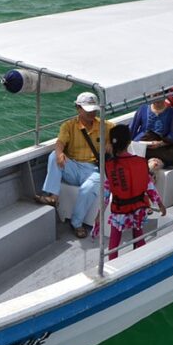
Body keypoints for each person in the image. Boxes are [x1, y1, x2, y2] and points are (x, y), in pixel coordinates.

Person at [34, 92, 115, 238]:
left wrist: (111, 143)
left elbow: (121, 137)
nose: (92, 113)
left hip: (94, 169)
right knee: (53, 156)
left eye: (94, 110)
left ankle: (77, 223)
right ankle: (53, 196)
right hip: (73, 167)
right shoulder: (68, 126)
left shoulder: (106, 126)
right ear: (78, 108)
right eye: (88, 110)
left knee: (87, 189)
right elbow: (60, 143)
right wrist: (59, 153)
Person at [100, 125, 166, 260]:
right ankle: (140, 259)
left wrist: (99, 214)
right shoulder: (140, 163)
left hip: (120, 211)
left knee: (114, 241)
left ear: (111, 144)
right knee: (139, 234)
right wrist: (160, 204)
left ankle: (113, 263)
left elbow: (106, 194)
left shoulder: (110, 166)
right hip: (138, 209)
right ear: (129, 142)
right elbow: (150, 187)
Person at [128, 97, 173, 172]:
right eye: (154, 95)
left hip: (160, 151)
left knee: (153, 165)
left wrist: (160, 144)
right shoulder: (142, 109)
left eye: (159, 95)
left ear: (165, 95)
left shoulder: (172, 113)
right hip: (141, 147)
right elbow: (132, 130)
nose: (157, 98)